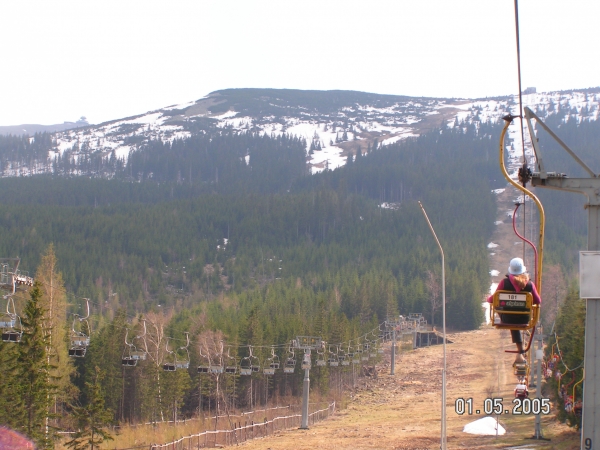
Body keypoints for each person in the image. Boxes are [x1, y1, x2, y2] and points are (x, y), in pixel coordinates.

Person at [488, 257, 541, 364]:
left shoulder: (504, 283)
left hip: (507, 318)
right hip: (524, 318)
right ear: (523, 270)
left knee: (510, 313)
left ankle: (520, 352)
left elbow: (491, 299)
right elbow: (538, 300)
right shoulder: (530, 285)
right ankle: (520, 352)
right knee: (516, 315)